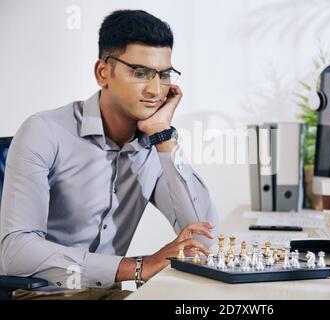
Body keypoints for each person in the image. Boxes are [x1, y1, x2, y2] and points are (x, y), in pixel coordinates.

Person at [0, 9, 219, 300]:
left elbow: (203, 238)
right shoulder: (44, 131)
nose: (155, 90)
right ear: (103, 73)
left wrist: (164, 138)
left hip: (110, 295)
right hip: (44, 296)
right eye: (140, 73)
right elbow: (16, 252)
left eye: (164, 75)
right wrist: (138, 267)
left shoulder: (156, 143)